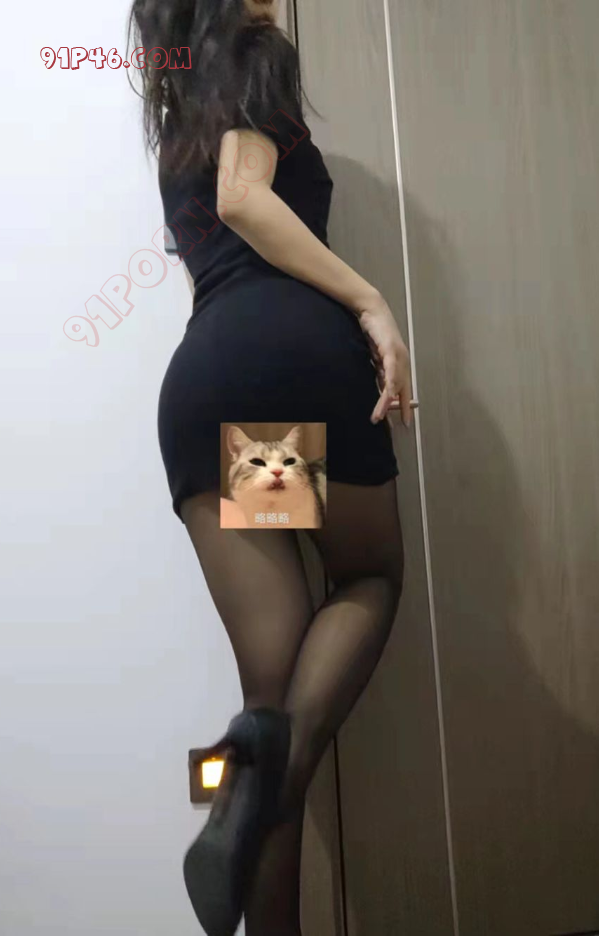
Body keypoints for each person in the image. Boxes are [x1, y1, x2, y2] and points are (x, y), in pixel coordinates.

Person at [129, 1, 413, 934]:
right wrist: (371, 302)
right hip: (287, 361)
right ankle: (263, 780)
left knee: (273, 696)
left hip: (209, 378)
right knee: (366, 575)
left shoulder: (177, 118)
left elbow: (215, 233)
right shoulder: (254, 52)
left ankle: (251, 792)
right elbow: (245, 200)